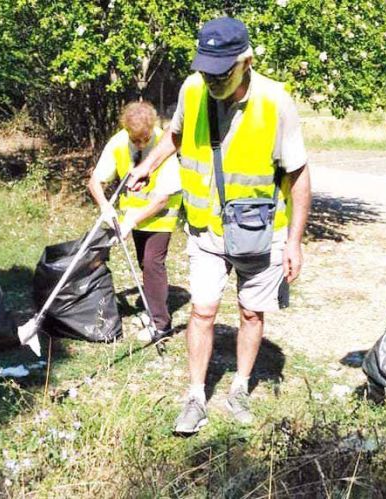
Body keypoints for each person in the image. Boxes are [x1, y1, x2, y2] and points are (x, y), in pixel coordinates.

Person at [127, 17, 311, 434]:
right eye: (205, 68)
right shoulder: (193, 88)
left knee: (250, 312)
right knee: (202, 310)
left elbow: (299, 174)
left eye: (220, 71)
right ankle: (195, 396)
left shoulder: (276, 101)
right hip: (205, 228)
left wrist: (295, 242)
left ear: (246, 61)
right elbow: (174, 137)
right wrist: (148, 168)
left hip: (261, 231)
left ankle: (241, 386)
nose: (211, 78)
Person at [88, 102, 182, 340]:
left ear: (152, 127)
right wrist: (105, 206)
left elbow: (162, 199)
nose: (140, 144)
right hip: (134, 214)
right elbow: (95, 181)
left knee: (152, 263)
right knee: (143, 262)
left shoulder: (165, 144)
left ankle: (161, 324)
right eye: (135, 139)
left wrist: (131, 221)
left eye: (144, 138)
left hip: (161, 214)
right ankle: (151, 310)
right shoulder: (119, 142)